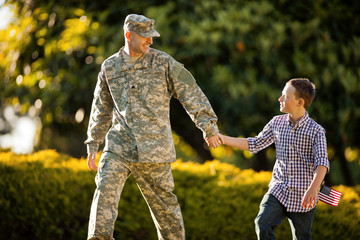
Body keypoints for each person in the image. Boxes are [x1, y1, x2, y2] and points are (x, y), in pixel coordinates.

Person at [84, 14, 222, 240]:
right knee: (104, 194)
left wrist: (208, 127)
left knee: (167, 216)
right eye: (145, 37)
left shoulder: (164, 63)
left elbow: (191, 93)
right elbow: (101, 107)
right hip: (119, 146)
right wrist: (93, 143)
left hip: (154, 151)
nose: (150, 41)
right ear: (129, 36)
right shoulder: (109, 67)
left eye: (152, 36)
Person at [214, 78, 329, 239]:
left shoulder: (316, 131)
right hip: (278, 190)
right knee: (262, 223)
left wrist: (313, 189)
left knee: (302, 237)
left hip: (304, 195)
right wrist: (223, 139)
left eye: (285, 96)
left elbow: (322, 163)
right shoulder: (276, 123)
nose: (280, 99)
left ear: (300, 102)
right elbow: (254, 144)